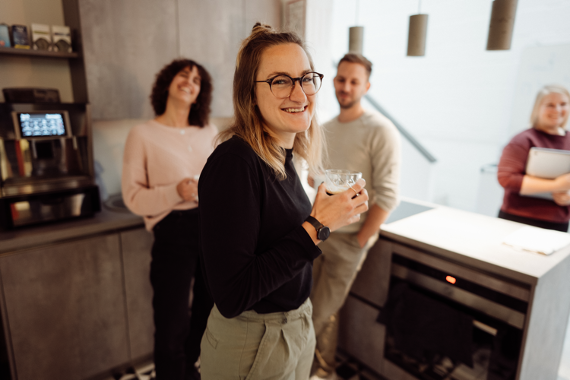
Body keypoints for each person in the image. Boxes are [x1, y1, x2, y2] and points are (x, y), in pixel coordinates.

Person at [197, 23, 369, 380]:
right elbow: (233, 295)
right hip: (253, 343)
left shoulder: (282, 157)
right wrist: (318, 225)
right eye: (279, 81)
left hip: (294, 327)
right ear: (251, 94)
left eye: (305, 78)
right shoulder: (235, 162)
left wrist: (326, 218)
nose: (300, 92)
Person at [122, 58, 217, 380]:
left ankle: (187, 369)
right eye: (183, 74)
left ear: (200, 93)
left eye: (197, 79)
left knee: (208, 312)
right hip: (172, 232)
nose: (190, 81)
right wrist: (175, 190)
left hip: (211, 228)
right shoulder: (143, 134)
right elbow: (133, 197)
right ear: (167, 82)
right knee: (171, 322)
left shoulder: (209, 131)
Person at [308, 53, 400, 379]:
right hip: (317, 233)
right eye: (341, 79)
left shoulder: (380, 130)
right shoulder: (325, 128)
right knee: (311, 310)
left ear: (366, 86)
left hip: (349, 241)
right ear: (333, 81)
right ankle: (323, 370)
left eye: (354, 81)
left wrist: (361, 241)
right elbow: (315, 177)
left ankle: (317, 372)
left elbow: (388, 195)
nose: (345, 86)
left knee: (319, 313)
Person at [497, 84, 570, 232]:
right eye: (550, 105)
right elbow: (507, 178)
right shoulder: (523, 140)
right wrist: (557, 185)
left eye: (563, 104)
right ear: (538, 108)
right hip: (518, 219)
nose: (557, 110)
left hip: (557, 223)